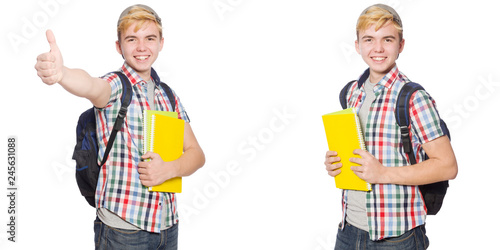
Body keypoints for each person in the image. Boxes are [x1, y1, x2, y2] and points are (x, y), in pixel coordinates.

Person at [35, 4, 205, 249]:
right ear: (119, 46)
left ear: (161, 43)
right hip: (122, 230)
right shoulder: (116, 86)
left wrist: (169, 169)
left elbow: (196, 154)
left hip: (168, 227)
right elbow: (92, 86)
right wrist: (61, 73)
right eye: (131, 39)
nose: (142, 47)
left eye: (149, 38)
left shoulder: (168, 96)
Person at [324, 4, 458, 249]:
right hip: (348, 231)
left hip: (397, 237)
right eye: (369, 39)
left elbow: (447, 166)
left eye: (387, 39)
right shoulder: (351, 92)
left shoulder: (413, 98)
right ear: (357, 46)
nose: (377, 48)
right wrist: (336, 163)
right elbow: (357, 154)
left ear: (401, 45)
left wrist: (382, 173)